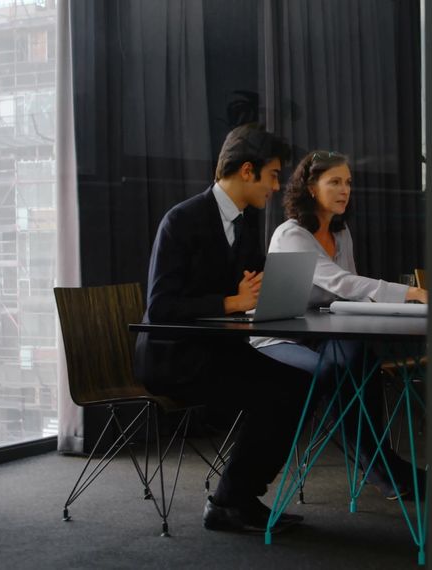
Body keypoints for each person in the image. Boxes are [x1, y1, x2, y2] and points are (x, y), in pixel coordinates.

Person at [132, 124, 310, 534]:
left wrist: (271, 294)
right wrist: (232, 302)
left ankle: (239, 497)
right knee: (279, 389)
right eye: (272, 175)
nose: (276, 186)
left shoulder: (244, 224)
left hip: (216, 349)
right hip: (173, 356)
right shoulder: (181, 221)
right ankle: (230, 501)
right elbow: (160, 308)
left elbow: (248, 288)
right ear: (247, 171)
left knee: (299, 380)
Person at [251, 150, 428, 499]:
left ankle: (382, 464)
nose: (344, 189)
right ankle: (381, 468)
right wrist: (411, 293)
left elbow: (349, 295)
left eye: (348, 182)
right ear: (311, 188)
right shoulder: (292, 234)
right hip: (281, 336)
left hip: (319, 331)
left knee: (361, 357)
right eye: (334, 182)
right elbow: (342, 283)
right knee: (333, 371)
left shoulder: (340, 232)